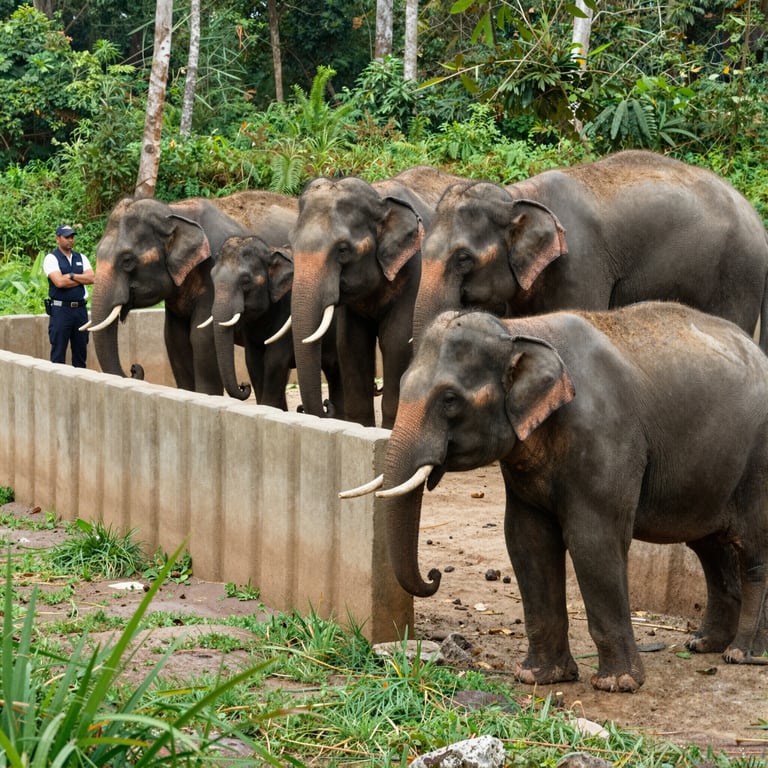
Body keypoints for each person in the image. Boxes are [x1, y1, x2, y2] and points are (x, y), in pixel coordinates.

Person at [43, 224, 95, 367]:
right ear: (57, 239)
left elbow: (92, 278)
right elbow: (59, 282)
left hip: (80, 311)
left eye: (72, 237)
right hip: (61, 312)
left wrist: (71, 276)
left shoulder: (81, 257)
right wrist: (80, 278)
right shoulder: (51, 258)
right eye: (66, 237)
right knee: (58, 353)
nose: (70, 240)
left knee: (80, 353)